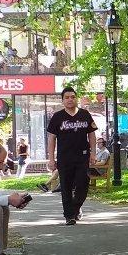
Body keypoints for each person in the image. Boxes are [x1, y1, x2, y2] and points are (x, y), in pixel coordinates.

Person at [47, 87, 98, 224]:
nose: (70, 100)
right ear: (63, 100)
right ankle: (69, 216)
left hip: (83, 156)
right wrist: (51, 159)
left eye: (72, 97)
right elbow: (51, 139)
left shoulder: (85, 114)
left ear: (76, 98)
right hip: (64, 158)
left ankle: (76, 208)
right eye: (67, 97)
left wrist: (93, 153)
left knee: (83, 184)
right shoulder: (57, 117)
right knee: (66, 187)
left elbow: (92, 135)